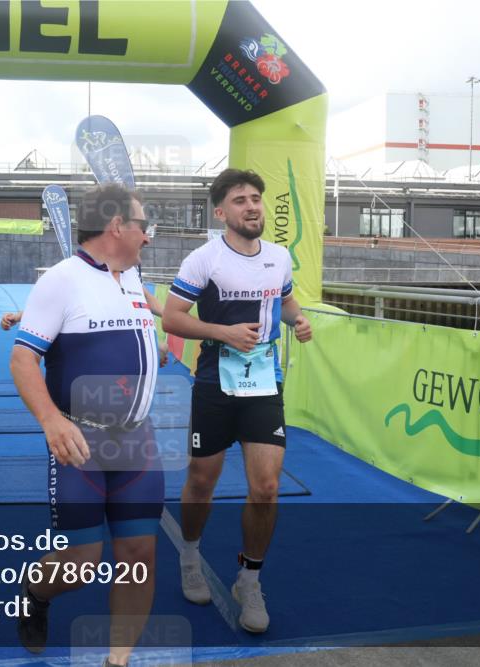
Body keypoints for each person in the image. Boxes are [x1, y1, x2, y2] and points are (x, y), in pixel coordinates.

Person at [11, 184, 161, 667]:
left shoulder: (134, 276)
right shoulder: (61, 279)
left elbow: (169, 318)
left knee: (139, 555)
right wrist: (51, 420)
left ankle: (118, 660)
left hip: (138, 440)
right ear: (117, 226)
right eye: (142, 226)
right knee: (81, 564)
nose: (148, 236)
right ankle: (35, 591)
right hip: (81, 440)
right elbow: (22, 358)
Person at [162, 169, 312, 634]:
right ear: (221, 211)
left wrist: (299, 320)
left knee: (265, 487)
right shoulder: (204, 260)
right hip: (214, 382)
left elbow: (284, 303)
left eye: (257, 199)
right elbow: (172, 318)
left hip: (264, 383)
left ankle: (249, 578)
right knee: (201, 482)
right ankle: (190, 553)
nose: (252, 206)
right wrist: (220, 331)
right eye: (241, 200)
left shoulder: (280, 257)